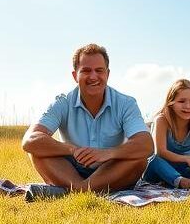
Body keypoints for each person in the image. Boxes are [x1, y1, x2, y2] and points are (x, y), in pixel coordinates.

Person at [21, 43, 153, 199]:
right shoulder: (62, 102)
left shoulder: (126, 103)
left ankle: (71, 191)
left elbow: (146, 145)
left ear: (107, 74)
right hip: (71, 170)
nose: (93, 76)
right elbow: (30, 140)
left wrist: (107, 153)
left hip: (111, 169)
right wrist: (72, 150)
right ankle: (85, 190)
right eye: (86, 71)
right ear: (75, 75)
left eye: (99, 70)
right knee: (37, 151)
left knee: (139, 160)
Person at [142, 79, 190, 189]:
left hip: (180, 169)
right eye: (181, 101)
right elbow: (160, 152)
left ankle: (181, 181)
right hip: (157, 170)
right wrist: (186, 159)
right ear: (171, 103)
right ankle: (180, 181)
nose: (188, 106)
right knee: (154, 159)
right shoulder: (162, 120)